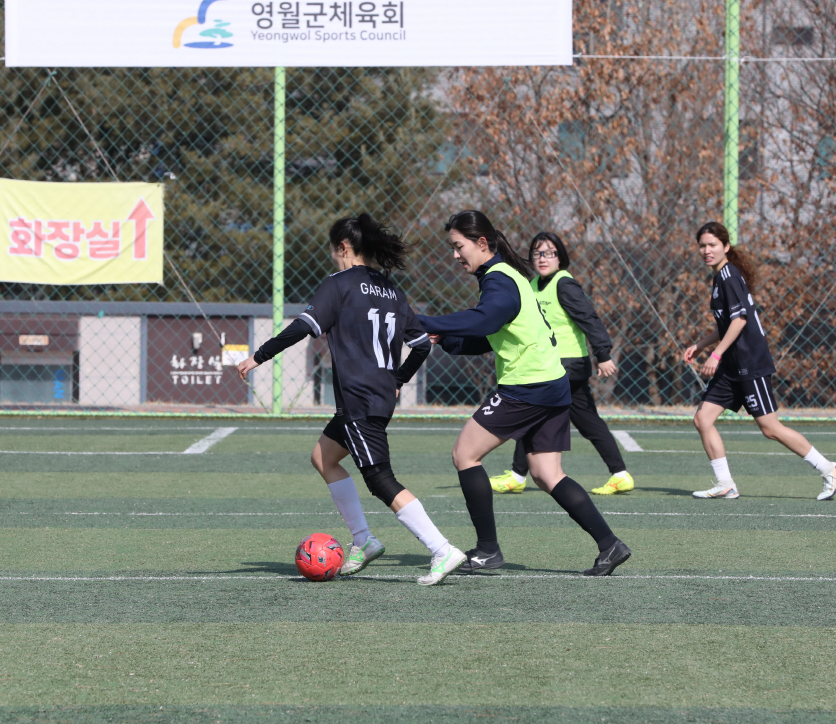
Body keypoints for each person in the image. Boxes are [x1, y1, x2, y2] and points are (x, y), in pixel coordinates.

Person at [237, 214, 467, 585]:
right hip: (376, 396)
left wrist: (258, 356)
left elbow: (303, 327)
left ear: (343, 247)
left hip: (359, 398)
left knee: (379, 479)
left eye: (332, 250)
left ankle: (441, 549)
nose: (332, 256)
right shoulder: (391, 289)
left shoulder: (340, 284)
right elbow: (422, 345)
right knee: (323, 457)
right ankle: (364, 540)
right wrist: (398, 379)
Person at [420, 210, 631, 576]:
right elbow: (494, 334)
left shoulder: (500, 280)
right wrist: (450, 340)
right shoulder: (510, 278)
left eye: (459, 246)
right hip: (552, 385)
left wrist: (423, 322)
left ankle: (487, 550)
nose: (455, 255)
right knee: (547, 474)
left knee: (464, 455)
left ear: (482, 243)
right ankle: (610, 545)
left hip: (527, 387)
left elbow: (486, 320)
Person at [683, 221, 836, 500]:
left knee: (770, 428)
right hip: (732, 365)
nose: (706, 250)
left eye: (712, 245)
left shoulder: (729, 276)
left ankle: (829, 468)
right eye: (702, 245)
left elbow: (740, 320)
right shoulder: (720, 277)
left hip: (749, 362)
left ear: (726, 247)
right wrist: (700, 344)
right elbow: (726, 324)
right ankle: (726, 484)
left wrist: (716, 353)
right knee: (703, 419)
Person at [489, 231, 634, 496]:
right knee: (588, 421)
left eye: (549, 253)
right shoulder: (532, 285)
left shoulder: (564, 284)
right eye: (537, 253)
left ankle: (518, 476)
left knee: (531, 414)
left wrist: (603, 354)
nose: (542, 258)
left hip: (567, 366)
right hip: (552, 366)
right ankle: (620, 474)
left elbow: (589, 317)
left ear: (560, 257)